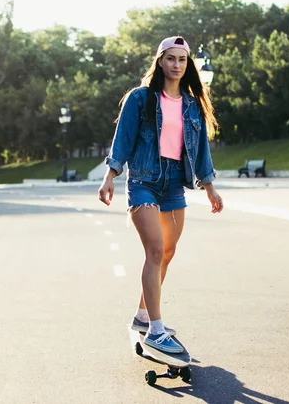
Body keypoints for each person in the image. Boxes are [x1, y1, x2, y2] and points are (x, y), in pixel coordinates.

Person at [97, 35, 224, 354]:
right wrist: (109, 176)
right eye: (171, 59)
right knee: (154, 250)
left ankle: (143, 316)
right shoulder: (140, 99)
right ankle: (155, 330)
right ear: (160, 61)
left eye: (182, 60)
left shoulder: (192, 104)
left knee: (167, 252)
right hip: (144, 180)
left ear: (187, 64)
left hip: (173, 185)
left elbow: (201, 150)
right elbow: (122, 140)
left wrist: (209, 187)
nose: (177, 65)